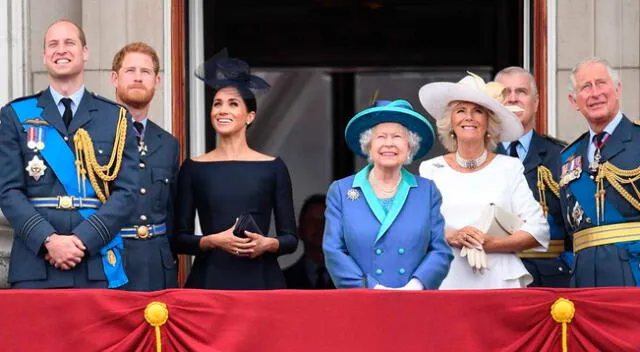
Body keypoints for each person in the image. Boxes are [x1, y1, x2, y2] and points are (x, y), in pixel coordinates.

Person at [0, 20, 139, 288]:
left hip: (95, 264)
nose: (60, 50)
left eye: (69, 43)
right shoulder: (15, 115)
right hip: (35, 265)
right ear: (44, 56)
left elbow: (127, 192)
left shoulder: (115, 118)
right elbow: (8, 192)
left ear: (85, 52)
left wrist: (83, 240)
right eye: (53, 44)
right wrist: (48, 240)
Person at [172, 51, 298, 289]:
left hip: (262, 282)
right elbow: (179, 239)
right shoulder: (193, 168)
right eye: (217, 104)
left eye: (232, 104)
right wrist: (212, 241)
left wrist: (267, 244)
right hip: (210, 282)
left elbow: (290, 239)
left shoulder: (273, 167)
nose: (222, 110)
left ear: (250, 116)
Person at [419, 72, 549, 289]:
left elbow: (539, 230)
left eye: (478, 111)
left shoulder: (509, 167)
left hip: (499, 281)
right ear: (451, 121)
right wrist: (452, 236)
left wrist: (492, 244)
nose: (469, 117)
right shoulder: (431, 169)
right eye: (461, 111)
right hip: (448, 279)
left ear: (489, 123)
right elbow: (418, 228)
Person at [323, 99, 453, 290]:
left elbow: (440, 250)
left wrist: (416, 286)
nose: (389, 144)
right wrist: (371, 288)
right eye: (381, 137)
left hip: (413, 300)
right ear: (368, 145)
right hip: (362, 300)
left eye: (397, 137)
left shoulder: (426, 191)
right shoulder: (341, 191)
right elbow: (333, 251)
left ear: (409, 147)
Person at [560, 56, 640, 287]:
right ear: (574, 101)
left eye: (601, 83)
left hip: (633, 272)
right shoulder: (568, 156)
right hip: (585, 277)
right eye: (586, 87)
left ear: (617, 89)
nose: (595, 93)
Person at [110, 42, 179, 291]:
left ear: (157, 81)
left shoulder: (168, 143)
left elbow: (172, 212)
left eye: (145, 72)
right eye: (130, 71)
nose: (138, 78)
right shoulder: (93, 135)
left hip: (157, 266)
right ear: (114, 78)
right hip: (111, 262)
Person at [494, 67, 572, 287]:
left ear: (536, 103)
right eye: (505, 93)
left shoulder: (562, 155)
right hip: (493, 274)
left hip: (550, 279)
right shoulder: (481, 155)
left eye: (521, 91)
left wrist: (569, 266)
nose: (512, 98)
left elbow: (576, 225)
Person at [284, 194, 335, 289]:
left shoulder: (353, 280)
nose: (320, 227)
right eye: (311, 221)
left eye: (325, 221)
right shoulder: (281, 280)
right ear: (299, 231)